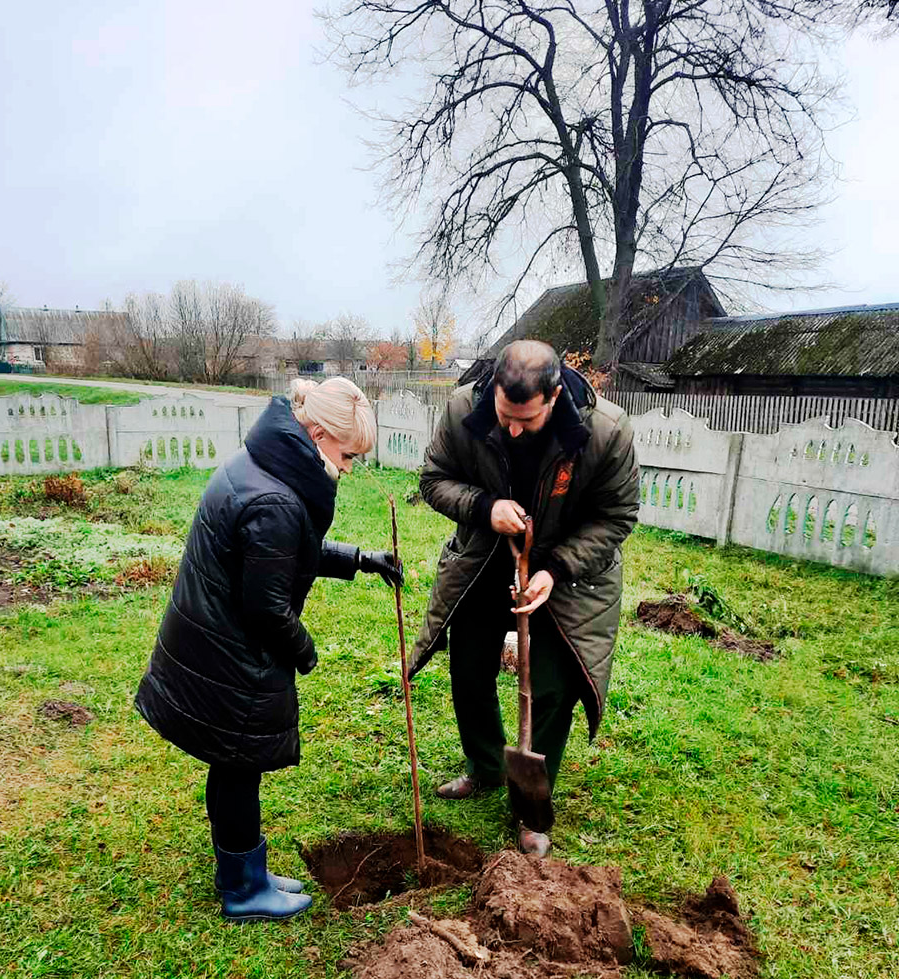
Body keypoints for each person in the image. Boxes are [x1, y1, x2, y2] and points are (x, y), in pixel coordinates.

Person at [135, 378, 402, 922]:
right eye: (348, 455)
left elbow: (283, 551)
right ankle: (244, 888)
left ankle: (242, 870)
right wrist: (304, 650)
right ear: (318, 434)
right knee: (239, 767)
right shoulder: (276, 496)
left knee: (231, 764)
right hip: (231, 653)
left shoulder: (264, 461)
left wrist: (358, 559)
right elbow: (267, 608)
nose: (350, 468)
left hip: (211, 638)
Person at [408, 339, 640, 857]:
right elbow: (434, 479)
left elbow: (616, 516)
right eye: (505, 416)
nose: (513, 430)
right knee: (469, 667)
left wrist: (555, 569)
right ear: (493, 388)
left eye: (527, 420)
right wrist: (483, 507)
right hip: (486, 556)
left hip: (568, 572)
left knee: (555, 686)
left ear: (554, 397)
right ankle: (487, 766)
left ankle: (532, 806)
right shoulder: (464, 410)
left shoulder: (606, 432)